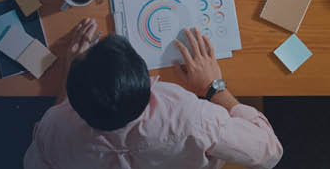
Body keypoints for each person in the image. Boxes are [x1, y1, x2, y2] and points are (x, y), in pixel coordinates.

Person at [24, 20, 283, 169]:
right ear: (147, 84)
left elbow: (34, 162)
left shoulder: (54, 129)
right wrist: (213, 88)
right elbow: (270, 152)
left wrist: (71, 77)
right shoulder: (192, 116)